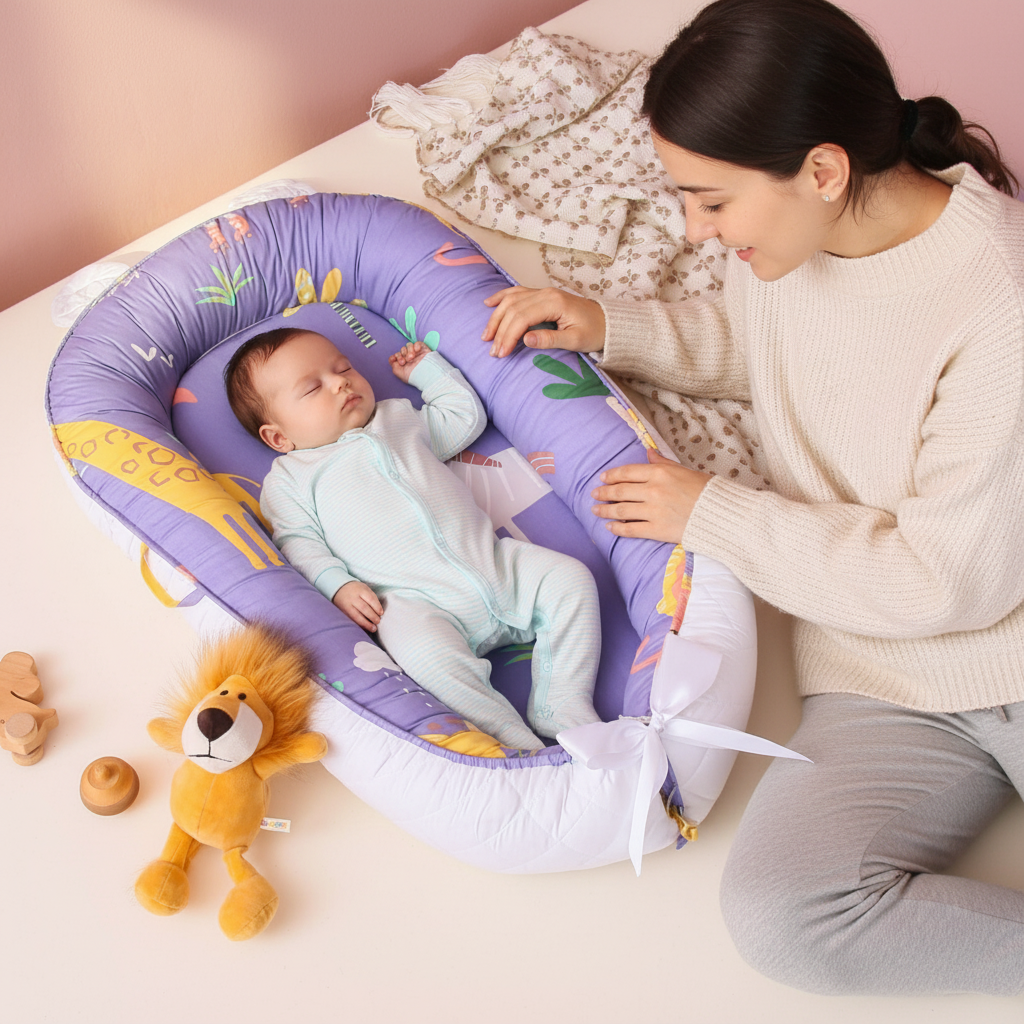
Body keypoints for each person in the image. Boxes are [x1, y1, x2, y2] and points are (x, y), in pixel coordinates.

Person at [481, 0, 1024, 997]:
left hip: (990, 632)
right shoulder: (799, 243)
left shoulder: (996, 304)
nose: (694, 228)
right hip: (883, 677)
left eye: (711, 201)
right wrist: (616, 326)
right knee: (781, 915)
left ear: (822, 170)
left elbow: (947, 584)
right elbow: (780, 353)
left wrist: (714, 512)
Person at [224, 328, 602, 751]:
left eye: (343, 367)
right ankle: (512, 743)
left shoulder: (396, 418)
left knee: (571, 580)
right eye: (313, 388)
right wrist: (337, 585)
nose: (341, 382)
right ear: (279, 437)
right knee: (424, 660)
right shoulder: (291, 479)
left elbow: (463, 417)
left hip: (493, 564)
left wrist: (427, 371)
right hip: (412, 603)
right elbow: (298, 544)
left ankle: (562, 701)